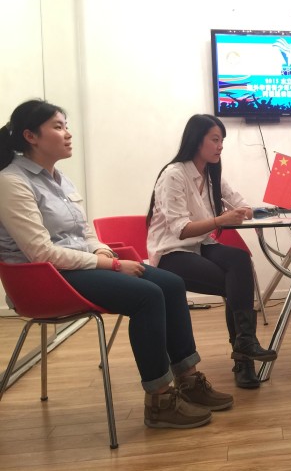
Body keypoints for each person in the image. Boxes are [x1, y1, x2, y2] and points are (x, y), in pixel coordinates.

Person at [0, 99, 233, 429]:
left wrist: (103, 251)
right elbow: (41, 253)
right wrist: (109, 266)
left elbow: (83, 233)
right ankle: (159, 401)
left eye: (66, 126)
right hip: (45, 279)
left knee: (171, 284)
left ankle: (189, 379)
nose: (68, 133)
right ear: (30, 136)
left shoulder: (60, 179)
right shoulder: (11, 182)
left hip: (77, 266)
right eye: (58, 127)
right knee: (147, 296)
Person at [147, 114, 276, 390]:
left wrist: (250, 211)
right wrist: (220, 220)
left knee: (239, 260)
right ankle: (244, 359)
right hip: (171, 252)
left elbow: (241, 203)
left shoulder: (211, 173)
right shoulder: (174, 174)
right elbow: (181, 230)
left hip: (201, 245)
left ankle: (244, 344)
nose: (220, 146)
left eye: (222, 141)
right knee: (235, 282)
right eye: (215, 140)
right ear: (197, 141)